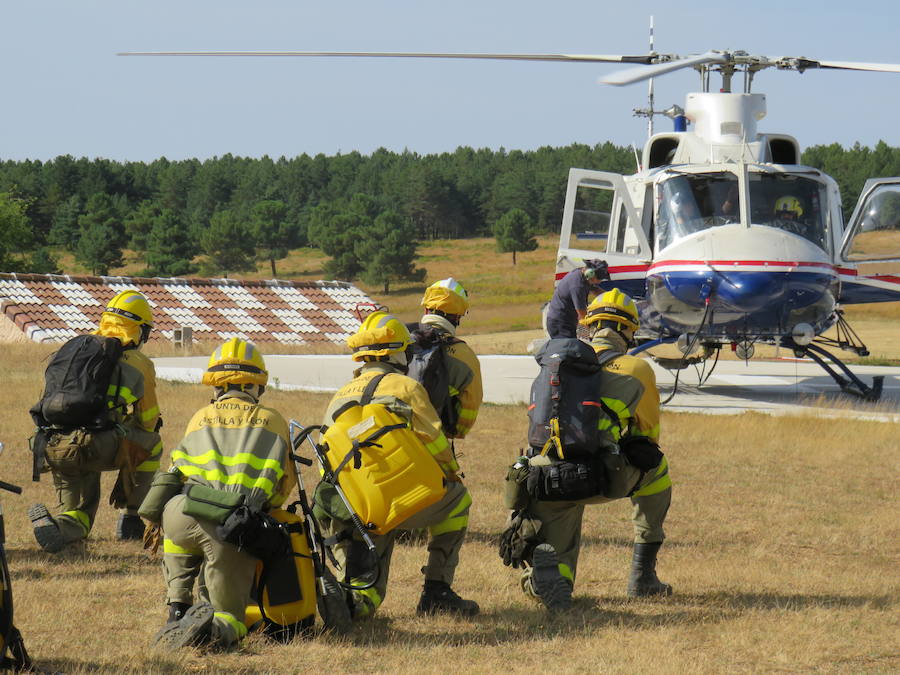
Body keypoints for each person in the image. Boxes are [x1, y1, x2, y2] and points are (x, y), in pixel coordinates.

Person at [316, 310, 479, 619]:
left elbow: (327, 454)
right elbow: (436, 443)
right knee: (458, 501)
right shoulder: (406, 388)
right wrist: (450, 476)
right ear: (400, 352)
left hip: (349, 503)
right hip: (393, 499)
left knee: (367, 591)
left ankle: (349, 597)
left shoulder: (340, 394)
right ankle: (437, 590)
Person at [517, 289, 673, 611]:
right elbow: (649, 437)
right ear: (629, 330)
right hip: (598, 477)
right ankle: (642, 577)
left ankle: (539, 580)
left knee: (558, 567)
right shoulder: (636, 369)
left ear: (589, 324)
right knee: (657, 469)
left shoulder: (554, 364)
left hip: (545, 477)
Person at [152, 338, 299, 650]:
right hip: (229, 528)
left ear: (215, 385)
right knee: (231, 617)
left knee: (177, 515)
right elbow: (283, 486)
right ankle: (209, 633)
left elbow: (175, 472)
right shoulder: (272, 420)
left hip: (182, 514)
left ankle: (177, 606)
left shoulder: (199, 417)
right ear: (257, 384)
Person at [29, 289, 163, 552]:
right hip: (95, 444)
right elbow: (148, 420)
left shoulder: (73, 351)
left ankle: (60, 527)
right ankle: (132, 517)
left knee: (79, 511)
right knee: (153, 444)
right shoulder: (137, 361)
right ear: (139, 329)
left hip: (53, 444)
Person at [413, 278, 483, 439]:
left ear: (426, 309)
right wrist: (454, 430)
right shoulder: (465, 355)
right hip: (435, 439)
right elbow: (470, 405)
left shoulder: (400, 341)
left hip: (393, 436)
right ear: (458, 316)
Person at [545, 259, 607, 339]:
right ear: (590, 273)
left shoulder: (583, 277)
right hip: (560, 324)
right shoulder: (577, 286)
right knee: (568, 349)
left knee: (574, 346)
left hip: (568, 321)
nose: (599, 282)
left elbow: (596, 290)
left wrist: (610, 296)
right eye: (599, 278)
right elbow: (582, 315)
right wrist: (587, 337)